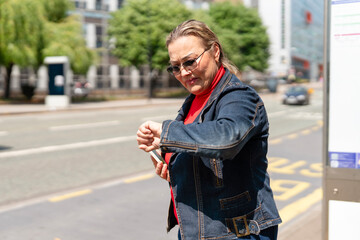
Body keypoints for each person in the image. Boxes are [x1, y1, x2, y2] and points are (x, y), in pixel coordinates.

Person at [137, 19, 281, 240]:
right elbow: (199, 151)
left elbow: (226, 138)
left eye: (190, 61)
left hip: (237, 232)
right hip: (196, 229)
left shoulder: (240, 97)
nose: (184, 72)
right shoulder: (192, 102)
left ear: (215, 51)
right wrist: (168, 162)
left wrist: (166, 133)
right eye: (176, 67)